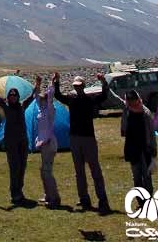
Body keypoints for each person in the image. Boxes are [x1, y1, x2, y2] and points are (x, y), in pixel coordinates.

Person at [54, 73, 111, 214]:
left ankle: (102, 200)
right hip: (74, 138)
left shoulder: (89, 100)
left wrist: (104, 82)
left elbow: (104, 96)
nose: (77, 88)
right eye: (75, 86)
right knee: (79, 171)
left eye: (79, 86)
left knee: (95, 170)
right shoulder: (71, 100)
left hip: (88, 138)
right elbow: (58, 95)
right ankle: (84, 199)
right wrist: (56, 82)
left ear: (83, 86)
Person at [0, 80, 36, 205]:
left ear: (17, 97)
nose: (13, 97)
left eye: (15, 95)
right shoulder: (6, 107)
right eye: (11, 95)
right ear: (8, 97)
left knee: (22, 166)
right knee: (14, 167)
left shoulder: (22, 106)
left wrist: (37, 85)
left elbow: (31, 97)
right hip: (11, 141)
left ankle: (19, 190)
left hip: (22, 140)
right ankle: (14, 192)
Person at [114, 89, 157, 197]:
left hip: (144, 148)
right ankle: (140, 199)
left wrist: (154, 150)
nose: (131, 102)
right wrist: (105, 84)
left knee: (146, 175)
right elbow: (115, 98)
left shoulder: (145, 113)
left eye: (133, 100)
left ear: (137, 99)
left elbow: (152, 133)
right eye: (129, 100)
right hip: (132, 147)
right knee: (136, 175)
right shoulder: (127, 109)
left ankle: (149, 197)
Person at [35, 75, 61, 209]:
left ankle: (55, 197)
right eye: (42, 99)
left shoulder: (50, 109)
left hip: (49, 144)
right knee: (43, 170)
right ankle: (48, 194)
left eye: (44, 98)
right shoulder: (41, 109)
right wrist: (37, 84)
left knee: (47, 171)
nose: (42, 100)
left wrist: (52, 81)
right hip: (43, 144)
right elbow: (36, 96)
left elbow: (51, 94)